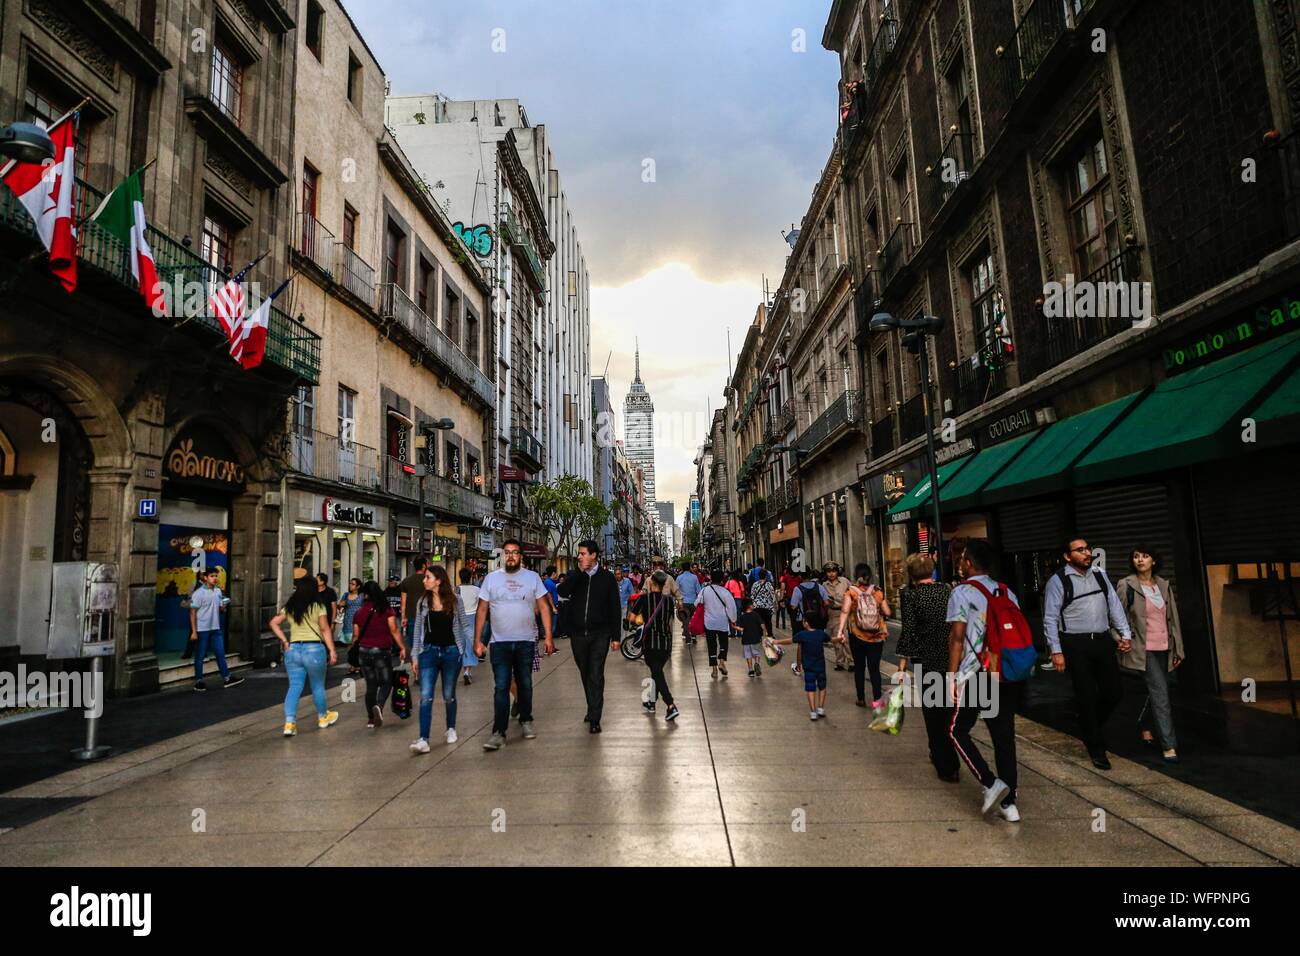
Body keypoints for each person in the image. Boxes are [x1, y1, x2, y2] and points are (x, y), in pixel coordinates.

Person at [946, 539, 1026, 822]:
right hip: (1004, 671)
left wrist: (952, 676)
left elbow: (957, 637)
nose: (960, 562)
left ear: (969, 563)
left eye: (962, 558)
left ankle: (991, 783)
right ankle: (1010, 804)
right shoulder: (1006, 590)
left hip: (977, 671)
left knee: (957, 730)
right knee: (1004, 736)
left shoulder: (962, 592)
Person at [1043, 537, 1133, 770]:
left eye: (1087, 549)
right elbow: (1050, 618)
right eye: (1079, 550)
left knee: (1114, 692)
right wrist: (1056, 651)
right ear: (1067, 556)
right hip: (1075, 643)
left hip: (1102, 639)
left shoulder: (1099, 574)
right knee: (1085, 694)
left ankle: (1088, 723)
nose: (1086, 553)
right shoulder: (1058, 581)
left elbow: (1113, 604)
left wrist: (1125, 634)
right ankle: (1096, 747)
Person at [474, 540, 554, 750]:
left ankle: (526, 719)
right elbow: (482, 610)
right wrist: (477, 641)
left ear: (520, 556)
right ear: (503, 556)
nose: (510, 556)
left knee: (525, 684)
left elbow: (544, 607)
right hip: (499, 643)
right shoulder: (491, 579)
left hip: (525, 642)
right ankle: (498, 732)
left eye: (514, 553)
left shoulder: (532, 578)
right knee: (501, 686)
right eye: (507, 553)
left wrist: (548, 637)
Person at [1116, 545, 1185, 764]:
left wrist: (1179, 648)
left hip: (1166, 646)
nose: (1140, 560)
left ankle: (1146, 726)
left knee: (1161, 691)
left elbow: (1173, 617)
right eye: (1136, 556)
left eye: (1145, 556)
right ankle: (1169, 745)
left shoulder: (1163, 585)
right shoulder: (1126, 585)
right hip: (1143, 649)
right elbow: (1115, 616)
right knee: (1161, 694)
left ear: (1154, 561)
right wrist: (1120, 639)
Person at [895, 553, 957, 781]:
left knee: (933, 715)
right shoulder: (947, 590)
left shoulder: (910, 595)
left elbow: (909, 630)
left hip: (927, 662)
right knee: (950, 712)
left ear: (911, 575)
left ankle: (945, 766)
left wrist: (902, 666)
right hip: (951, 660)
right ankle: (952, 757)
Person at [558, 540, 624, 733]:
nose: (580, 556)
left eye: (583, 553)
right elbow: (562, 591)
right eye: (579, 553)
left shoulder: (607, 578)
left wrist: (616, 636)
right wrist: (579, 573)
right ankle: (591, 706)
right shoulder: (574, 575)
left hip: (600, 634)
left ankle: (595, 717)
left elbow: (614, 607)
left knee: (596, 674)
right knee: (585, 673)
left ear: (593, 555)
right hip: (578, 634)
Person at [410, 565, 471, 752]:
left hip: (451, 653)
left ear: (438, 580)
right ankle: (423, 739)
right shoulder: (422, 602)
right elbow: (418, 630)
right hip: (428, 652)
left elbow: (465, 625)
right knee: (425, 696)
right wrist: (415, 656)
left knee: (448, 694)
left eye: (427, 577)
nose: (424, 580)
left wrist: (470, 648)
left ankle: (450, 728)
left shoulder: (455, 601)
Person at [269, 575, 337, 735]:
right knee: (318, 686)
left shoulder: (291, 606)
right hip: (314, 649)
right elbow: (325, 629)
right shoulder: (317, 606)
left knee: (294, 687)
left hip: (293, 650)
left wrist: (285, 641)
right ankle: (323, 717)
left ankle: (289, 723)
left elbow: (273, 622)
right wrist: (332, 650)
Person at [836, 563, 891, 712]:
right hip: (877, 637)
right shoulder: (878, 591)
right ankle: (877, 701)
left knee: (859, 668)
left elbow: (845, 611)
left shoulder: (851, 592)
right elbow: (887, 612)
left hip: (857, 636)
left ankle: (861, 698)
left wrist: (840, 631)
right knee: (874, 669)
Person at [352, 581, 405, 728]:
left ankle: (371, 719)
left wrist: (353, 651)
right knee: (387, 682)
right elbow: (394, 630)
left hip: (363, 651)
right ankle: (379, 706)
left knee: (371, 685)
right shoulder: (386, 610)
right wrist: (402, 647)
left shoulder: (359, 612)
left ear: (366, 595)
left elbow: (355, 636)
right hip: (381, 650)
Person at [630, 570, 679, 720]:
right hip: (665, 644)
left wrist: (641, 620)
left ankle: (670, 705)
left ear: (651, 583)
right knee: (656, 672)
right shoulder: (669, 601)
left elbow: (632, 619)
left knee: (657, 673)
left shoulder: (644, 599)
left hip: (650, 643)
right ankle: (651, 702)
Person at [773, 620, 843, 719]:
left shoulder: (802, 635)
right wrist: (840, 638)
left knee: (810, 688)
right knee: (822, 687)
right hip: (821, 666)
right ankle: (821, 708)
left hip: (809, 667)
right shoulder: (821, 634)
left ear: (807, 623)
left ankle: (813, 712)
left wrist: (777, 642)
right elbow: (832, 640)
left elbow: (790, 641)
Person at [188, 567, 243, 690]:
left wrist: (223, 607)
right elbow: (192, 613)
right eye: (212, 576)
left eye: (216, 576)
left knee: (220, 653)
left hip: (215, 628)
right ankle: (199, 681)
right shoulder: (198, 593)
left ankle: (227, 678)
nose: (214, 578)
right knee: (200, 655)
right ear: (205, 578)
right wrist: (194, 631)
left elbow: (220, 610)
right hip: (202, 629)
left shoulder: (218, 591)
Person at [699, 569, 737, 679]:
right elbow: (731, 607)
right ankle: (722, 662)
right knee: (723, 643)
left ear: (711, 578)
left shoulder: (705, 591)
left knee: (712, 645)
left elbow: (697, 602)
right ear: (722, 580)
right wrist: (733, 619)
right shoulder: (725, 592)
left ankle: (714, 669)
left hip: (709, 622)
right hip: (722, 622)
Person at [789, 573, 830, 675]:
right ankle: (818, 666)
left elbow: (793, 606)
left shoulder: (797, 589)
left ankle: (799, 667)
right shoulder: (819, 586)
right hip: (818, 619)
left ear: (800, 577)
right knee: (818, 642)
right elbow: (826, 603)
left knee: (801, 643)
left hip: (804, 620)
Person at [821, 563, 852, 671]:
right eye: (828, 572)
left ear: (837, 572)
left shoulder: (844, 581)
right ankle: (840, 662)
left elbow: (852, 592)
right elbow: (824, 600)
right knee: (836, 639)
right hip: (833, 613)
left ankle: (851, 661)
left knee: (847, 638)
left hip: (845, 612)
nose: (831, 574)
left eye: (833, 571)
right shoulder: (824, 585)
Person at [457, 568, 481, 685]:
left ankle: (462, 668)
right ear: (471, 577)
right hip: (473, 618)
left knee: (460, 643)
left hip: (459, 618)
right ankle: (467, 671)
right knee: (471, 644)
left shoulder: (456, 590)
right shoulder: (477, 589)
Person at [399, 556, 428, 653]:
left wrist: (403, 617)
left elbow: (403, 602)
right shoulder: (429, 580)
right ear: (424, 566)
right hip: (427, 615)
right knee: (426, 640)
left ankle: (414, 662)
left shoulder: (406, 581)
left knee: (413, 641)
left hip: (411, 615)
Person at [734, 597, 765, 678]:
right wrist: (766, 633)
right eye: (752, 604)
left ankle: (751, 670)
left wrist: (734, 627)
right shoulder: (756, 615)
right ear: (749, 606)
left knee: (748, 655)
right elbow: (762, 625)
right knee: (756, 652)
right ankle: (757, 663)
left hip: (746, 639)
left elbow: (741, 629)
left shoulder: (742, 617)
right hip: (756, 638)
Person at [339, 578, 365, 674]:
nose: (350, 585)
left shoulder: (362, 596)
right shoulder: (346, 595)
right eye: (350, 583)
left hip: (359, 622)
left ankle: (359, 664)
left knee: (359, 644)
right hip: (348, 622)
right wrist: (341, 605)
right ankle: (352, 665)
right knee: (349, 645)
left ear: (358, 586)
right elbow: (340, 605)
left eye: (353, 584)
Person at [675, 562, 702, 644]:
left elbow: (676, 590)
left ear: (682, 568)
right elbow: (698, 590)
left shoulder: (679, 578)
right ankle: (693, 636)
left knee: (685, 621)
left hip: (683, 603)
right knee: (693, 620)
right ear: (690, 568)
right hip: (693, 602)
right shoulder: (694, 577)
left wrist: (676, 601)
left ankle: (688, 639)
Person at [749, 562, 777, 638]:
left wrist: (754, 603)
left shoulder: (755, 584)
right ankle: (770, 634)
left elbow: (752, 595)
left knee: (759, 621)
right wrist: (774, 605)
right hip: (767, 606)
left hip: (757, 606)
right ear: (766, 576)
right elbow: (772, 595)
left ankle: (759, 634)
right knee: (768, 621)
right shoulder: (769, 585)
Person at [778, 564, 801, 630]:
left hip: (790, 598)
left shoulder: (785, 577)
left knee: (791, 614)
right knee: (799, 613)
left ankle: (793, 626)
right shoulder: (799, 578)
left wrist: (781, 600)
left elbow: (782, 588)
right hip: (798, 598)